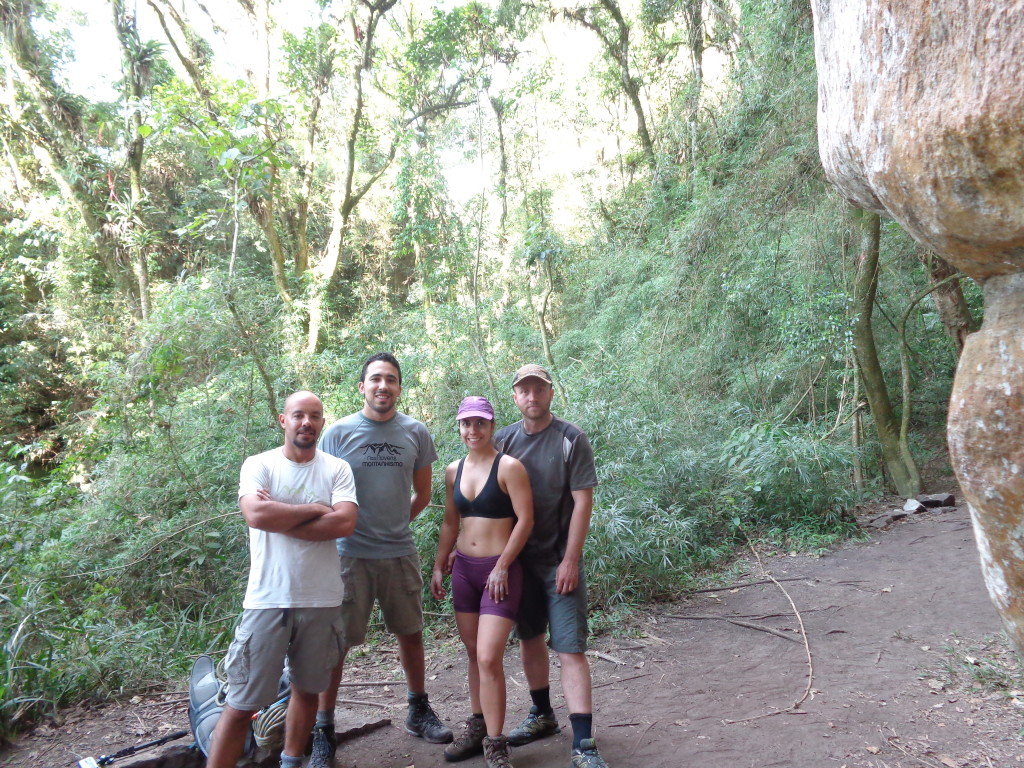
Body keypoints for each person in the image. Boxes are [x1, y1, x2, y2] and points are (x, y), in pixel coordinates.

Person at [309, 352, 451, 768]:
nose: (383, 386)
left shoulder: (415, 432)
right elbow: (323, 494)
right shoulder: (337, 433)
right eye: (375, 379)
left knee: (411, 633)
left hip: (399, 552)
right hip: (348, 556)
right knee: (337, 644)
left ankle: (418, 709)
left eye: (391, 379)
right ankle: (323, 729)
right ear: (362, 386)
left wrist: (391, 524)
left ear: (399, 387)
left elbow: (422, 495)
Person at [205, 391, 358, 768]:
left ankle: (292, 762)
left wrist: (283, 517)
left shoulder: (337, 469)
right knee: (241, 704)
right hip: (267, 599)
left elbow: (345, 522)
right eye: (299, 415)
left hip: (321, 600)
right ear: (283, 420)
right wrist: (315, 509)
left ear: (323, 422)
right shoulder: (259, 465)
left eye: (315, 416)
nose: (307, 422)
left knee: (307, 692)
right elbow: (256, 515)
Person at [493, 364, 609, 768]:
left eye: (538, 389)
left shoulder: (570, 438)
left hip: (559, 560)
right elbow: (491, 501)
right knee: (530, 638)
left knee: (570, 647)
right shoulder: (503, 440)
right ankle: (542, 714)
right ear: (515, 397)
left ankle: (583, 745)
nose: (532, 397)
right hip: (520, 562)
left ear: (550, 393)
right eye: (524, 390)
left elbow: (583, 501)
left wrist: (570, 560)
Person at [430, 396, 534, 768]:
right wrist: (440, 564)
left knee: (489, 656)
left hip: (498, 573)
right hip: (465, 572)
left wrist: (504, 564)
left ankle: (496, 742)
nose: (472, 430)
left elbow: (525, 520)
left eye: (480, 423)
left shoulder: (510, 467)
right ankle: (477, 726)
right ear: (459, 427)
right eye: (466, 424)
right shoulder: (452, 470)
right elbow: (449, 522)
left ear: (491, 425)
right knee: (474, 654)